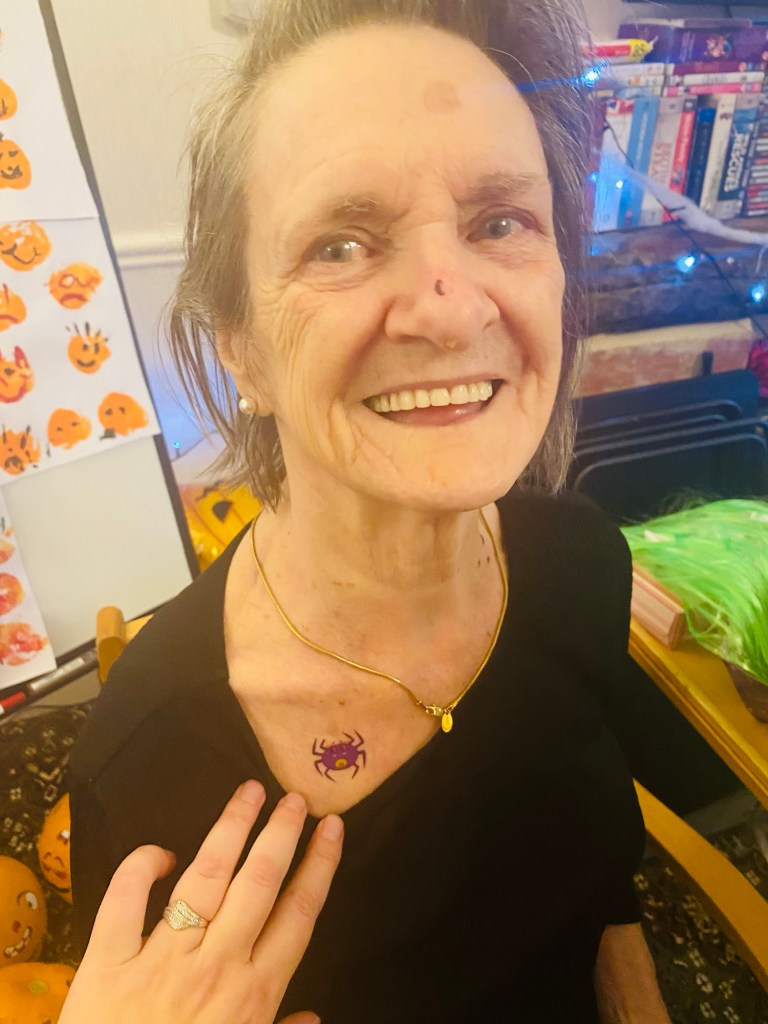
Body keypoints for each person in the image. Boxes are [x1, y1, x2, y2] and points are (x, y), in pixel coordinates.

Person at [67, 0, 678, 1020]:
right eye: (342, 245)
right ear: (240, 349)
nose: (454, 309)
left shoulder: (581, 560)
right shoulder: (149, 757)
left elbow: (601, 883)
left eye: (500, 222)